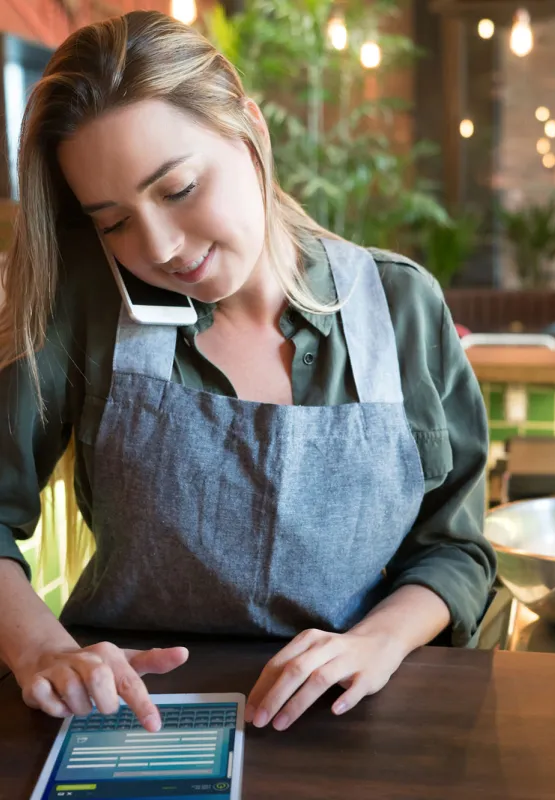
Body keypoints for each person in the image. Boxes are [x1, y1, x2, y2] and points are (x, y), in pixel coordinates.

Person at [0, 10, 495, 733]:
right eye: (114, 222)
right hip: (131, 719)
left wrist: (377, 641)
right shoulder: (88, 310)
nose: (161, 246)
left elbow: (456, 546)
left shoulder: (400, 306)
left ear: (252, 133)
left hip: (352, 719)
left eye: (177, 190)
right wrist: (40, 649)